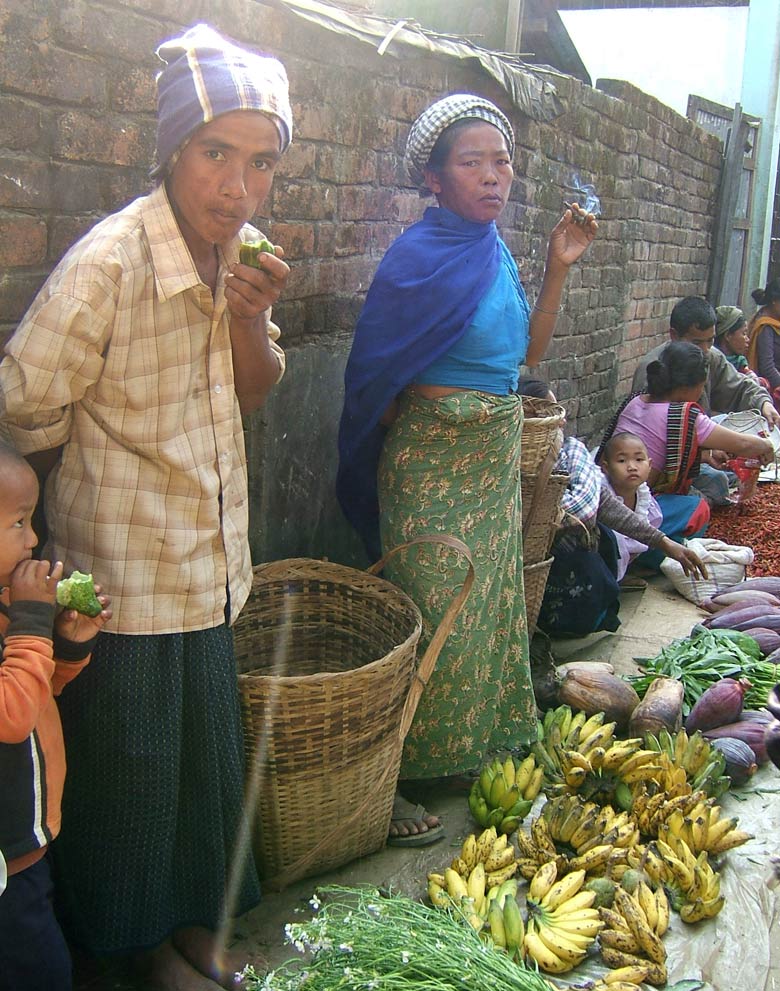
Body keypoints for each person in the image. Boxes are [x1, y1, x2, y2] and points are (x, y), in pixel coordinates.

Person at [0, 23, 292, 991]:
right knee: (129, 783)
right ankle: (130, 953)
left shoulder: (240, 261)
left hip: (207, 571)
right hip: (119, 582)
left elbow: (255, 390)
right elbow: (25, 405)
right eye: (216, 155)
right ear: (172, 152)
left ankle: (189, 930)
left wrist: (250, 315)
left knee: (198, 779)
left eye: (259, 163)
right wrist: (31, 542)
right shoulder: (109, 267)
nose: (236, 188)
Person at [337, 93, 599, 843]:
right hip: (432, 459)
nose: (494, 176)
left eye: (502, 161)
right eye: (472, 162)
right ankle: (390, 778)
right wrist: (428, 425)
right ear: (433, 178)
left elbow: (525, 359)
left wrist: (557, 267)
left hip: (490, 458)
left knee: (484, 611)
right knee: (428, 607)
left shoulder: (495, 252)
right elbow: (374, 378)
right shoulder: (413, 261)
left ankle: (461, 752)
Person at [0, 441, 111, 991]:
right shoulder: (13, 613)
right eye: (18, 522)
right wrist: (28, 622)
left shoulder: (4, 603)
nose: (34, 538)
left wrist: (66, 646)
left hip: (29, 843)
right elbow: (11, 717)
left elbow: (38, 694)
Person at [516, 380, 705, 635]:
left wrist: (664, 543)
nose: (560, 421)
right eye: (549, 412)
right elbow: (582, 508)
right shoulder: (508, 464)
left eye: (559, 410)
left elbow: (600, 505)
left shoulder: (570, 453)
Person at [604, 340, 775, 567]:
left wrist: (704, 456)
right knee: (698, 507)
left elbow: (654, 444)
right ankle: (649, 559)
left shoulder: (636, 400)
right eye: (701, 386)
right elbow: (743, 444)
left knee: (714, 480)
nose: (702, 392)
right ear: (688, 387)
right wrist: (767, 446)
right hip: (634, 507)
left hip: (608, 502)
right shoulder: (685, 416)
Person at [632, 296, 779, 506]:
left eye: (710, 341)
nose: (705, 349)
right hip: (649, 475)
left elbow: (739, 387)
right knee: (706, 497)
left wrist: (764, 403)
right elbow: (658, 444)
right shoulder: (656, 375)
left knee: (725, 478)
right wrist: (707, 452)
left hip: (686, 459)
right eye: (696, 342)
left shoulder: (711, 358)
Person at [599, 432, 663, 589]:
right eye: (621, 461)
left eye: (639, 460)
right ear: (606, 468)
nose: (632, 467)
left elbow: (649, 530)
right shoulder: (601, 493)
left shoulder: (644, 497)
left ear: (649, 464)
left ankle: (625, 573)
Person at [746, 278, 780, 402]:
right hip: (772, 391)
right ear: (774, 301)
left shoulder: (776, 320)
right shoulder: (765, 326)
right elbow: (767, 367)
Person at [714, 305, 762, 383]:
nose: (748, 339)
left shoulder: (740, 363)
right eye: (744, 333)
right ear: (728, 336)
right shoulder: (712, 362)